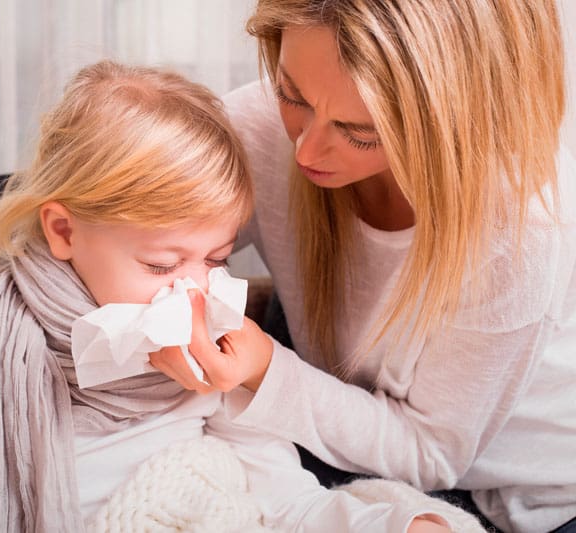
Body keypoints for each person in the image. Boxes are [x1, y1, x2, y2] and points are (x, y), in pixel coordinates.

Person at [0, 60, 472, 532]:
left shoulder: (214, 350)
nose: (193, 288)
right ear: (63, 231)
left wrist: (397, 524)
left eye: (217, 258)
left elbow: (285, 505)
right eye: (161, 264)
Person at [149, 2, 576, 532]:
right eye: (292, 95)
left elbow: (430, 454)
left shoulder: (522, 229)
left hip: (524, 499)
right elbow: (122, 234)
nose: (306, 148)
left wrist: (264, 371)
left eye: (360, 131)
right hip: (345, 420)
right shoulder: (256, 129)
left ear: (452, 118)